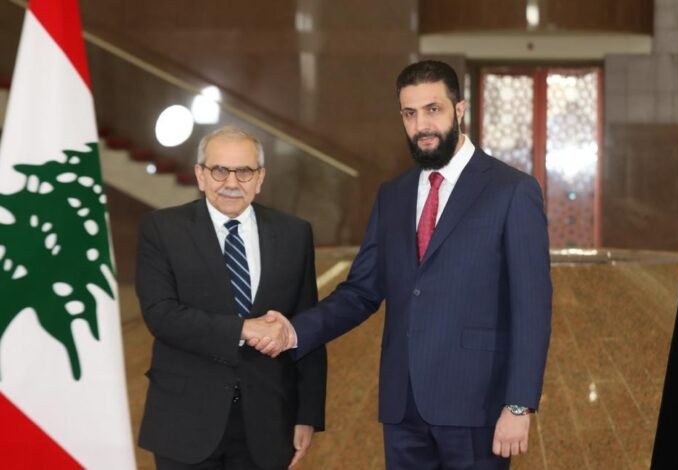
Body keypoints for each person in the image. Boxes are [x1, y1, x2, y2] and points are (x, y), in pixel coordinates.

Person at [253, 60, 552, 469]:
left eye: (433, 109)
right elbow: (361, 291)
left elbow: (532, 308)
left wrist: (518, 405)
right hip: (402, 406)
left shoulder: (512, 190)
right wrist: (292, 331)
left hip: (476, 406)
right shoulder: (393, 194)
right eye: (410, 114)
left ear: (459, 110)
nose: (421, 125)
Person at [135, 126, 327, 470]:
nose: (231, 182)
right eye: (220, 170)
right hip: (185, 420)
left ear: (260, 178)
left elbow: (306, 327)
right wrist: (244, 329)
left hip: (269, 421)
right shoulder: (162, 229)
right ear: (200, 175)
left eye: (244, 171)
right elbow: (161, 315)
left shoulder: (294, 233)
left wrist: (307, 414)